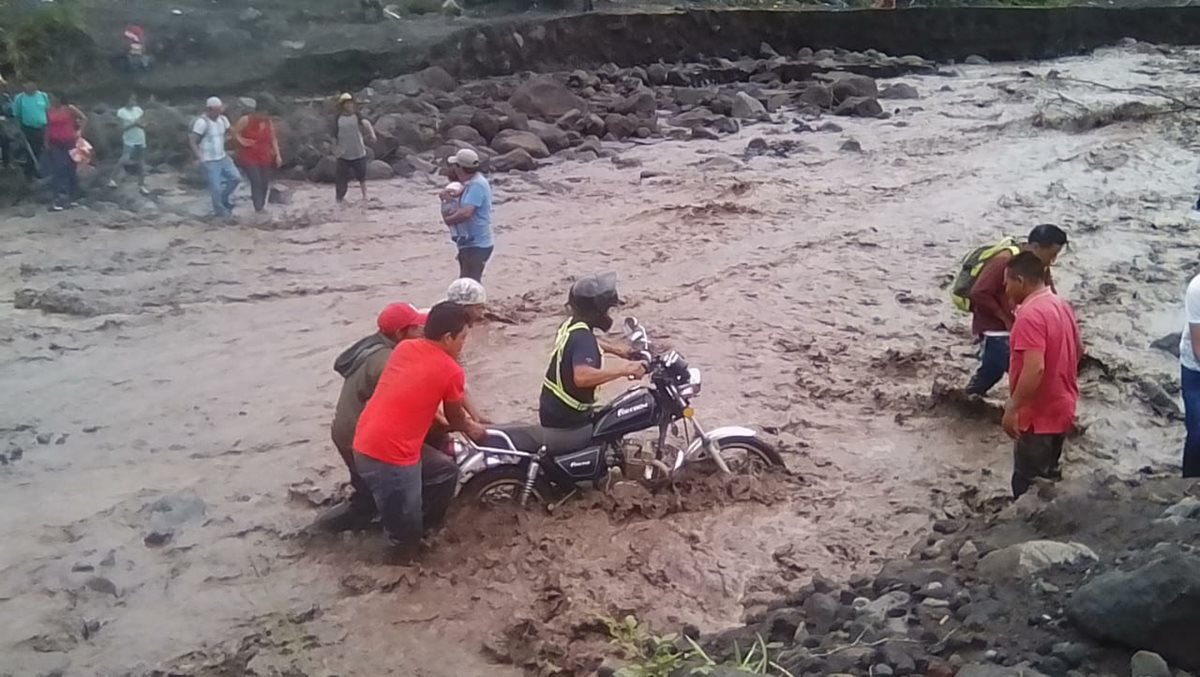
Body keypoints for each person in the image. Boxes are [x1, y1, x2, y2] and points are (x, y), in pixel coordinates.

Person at [353, 302, 488, 562]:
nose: (464, 344)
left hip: (364, 440)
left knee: (445, 471)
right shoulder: (450, 369)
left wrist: (470, 418)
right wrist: (473, 427)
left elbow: (420, 390)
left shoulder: (405, 348)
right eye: (462, 338)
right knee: (404, 537)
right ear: (447, 338)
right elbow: (455, 418)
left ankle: (421, 525)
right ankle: (398, 566)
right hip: (390, 457)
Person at [319, 302, 428, 533]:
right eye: (415, 328)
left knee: (367, 489)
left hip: (346, 429)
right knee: (369, 500)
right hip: (358, 436)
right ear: (400, 333)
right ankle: (320, 533)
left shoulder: (372, 346)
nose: (421, 332)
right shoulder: (389, 362)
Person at [1001, 252, 1081, 498]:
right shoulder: (1060, 304)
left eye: (1007, 283)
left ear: (1020, 281)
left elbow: (1035, 368)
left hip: (1038, 415)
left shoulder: (1029, 315)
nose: (1005, 290)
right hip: (1062, 407)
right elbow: (1079, 350)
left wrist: (1013, 407)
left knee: (1028, 484)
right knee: (1050, 474)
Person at [963, 224, 1069, 396]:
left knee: (991, 371)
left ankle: (966, 398)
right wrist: (1004, 318)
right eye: (1051, 255)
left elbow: (1049, 291)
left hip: (1018, 326)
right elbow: (978, 293)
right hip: (995, 330)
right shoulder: (1003, 262)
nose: (1053, 261)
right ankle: (1020, 405)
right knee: (1025, 371)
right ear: (1035, 247)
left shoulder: (1038, 264)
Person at [538, 273, 646, 430]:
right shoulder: (583, 338)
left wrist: (617, 350)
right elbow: (582, 377)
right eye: (607, 311)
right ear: (596, 312)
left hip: (552, 407)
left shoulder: (572, 325)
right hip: (567, 418)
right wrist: (625, 369)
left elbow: (579, 346)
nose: (608, 315)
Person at [441, 149, 495, 282]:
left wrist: (448, 220)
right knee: (467, 281)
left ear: (460, 168)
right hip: (470, 242)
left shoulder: (477, 185)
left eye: (455, 165)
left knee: (469, 282)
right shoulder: (471, 182)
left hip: (477, 244)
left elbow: (466, 213)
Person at [189, 97, 239, 218]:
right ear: (209, 109)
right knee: (215, 187)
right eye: (216, 111)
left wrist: (236, 139)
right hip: (209, 160)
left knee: (235, 178)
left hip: (222, 157)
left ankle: (223, 198)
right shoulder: (201, 123)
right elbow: (193, 140)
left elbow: (231, 131)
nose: (219, 113)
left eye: (220, 110)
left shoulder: (223, 119)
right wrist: (200, 157)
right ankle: (220, 211)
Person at [233, 99, 282, 213]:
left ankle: (262, 204)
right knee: (256, 180)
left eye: (266, 115)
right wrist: (241, 140)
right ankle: (258, 207)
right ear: (257, 112)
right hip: (249, 156)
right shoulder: (246, 120)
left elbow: (273, 139)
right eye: (263, 114)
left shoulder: (268, 122)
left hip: (264, 155)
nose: (264, 117)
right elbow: (234, 132)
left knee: (265, 181)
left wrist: (278, 155)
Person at [44, 95, 86, 212]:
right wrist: (45, 141)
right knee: (59, 168)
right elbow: (48, 126)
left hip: (69, 142)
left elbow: (83, 118)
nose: (51, 100)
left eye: (52, 97)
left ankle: (72, 197)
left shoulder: (69, 108)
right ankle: (59, 198)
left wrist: (79, 132)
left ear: (59, 98)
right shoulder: (49, 110)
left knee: (71, 168)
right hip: (55, 142)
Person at [332, 93, 376, 204]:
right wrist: (335, 148)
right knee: (341, 179)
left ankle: (365, 197)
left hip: (358, 151)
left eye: (351, 103)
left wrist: (372, 134)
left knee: (361, 176)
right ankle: (339, 200)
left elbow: (366, 123)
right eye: (347, 104)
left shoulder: (357, 115)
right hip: (343, 154)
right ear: (342, 105)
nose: (349, 105)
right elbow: (334, 135)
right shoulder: (337, 118)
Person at [1178, 273, 1200, 478]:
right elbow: (1198, 348)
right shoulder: (1197, 289)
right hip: (1195, 368)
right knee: (1197, 433)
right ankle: (1190, 482)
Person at [11, 82, 49, 180]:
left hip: (42, 127)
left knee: (39, 149)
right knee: (30, 150)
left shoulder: (43, 96)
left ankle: (36, 169)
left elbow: (47, 111)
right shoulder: (19, 98)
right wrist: (19, 129)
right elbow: (16, 115)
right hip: (27, 128)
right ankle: (29, 173)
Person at [116, 93, 148, 192]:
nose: (134, 102)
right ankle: (113, 179)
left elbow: (143, 124)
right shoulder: (121, 112)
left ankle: (142, 184)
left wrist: (144, 125)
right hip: (129, 139)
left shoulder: (139, 110)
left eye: (134, 99)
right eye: (131, 99)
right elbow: (121, 128)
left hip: (140, 137)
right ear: (126, 100)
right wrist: (134, 124)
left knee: (141, 162)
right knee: (124, 158)